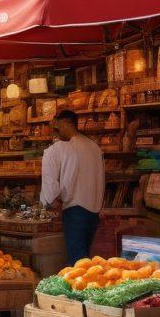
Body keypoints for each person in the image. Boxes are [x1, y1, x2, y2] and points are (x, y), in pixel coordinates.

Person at [41, 109, 105, 264]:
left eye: (58, 127)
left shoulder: (66, 148)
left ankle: (81, 287)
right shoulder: (93, 146)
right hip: (94, 209)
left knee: (78, 261)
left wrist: (51, 200)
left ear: (67, 123)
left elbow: (57, 182)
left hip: (75, 208)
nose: (57, 132)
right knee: (85, 256)